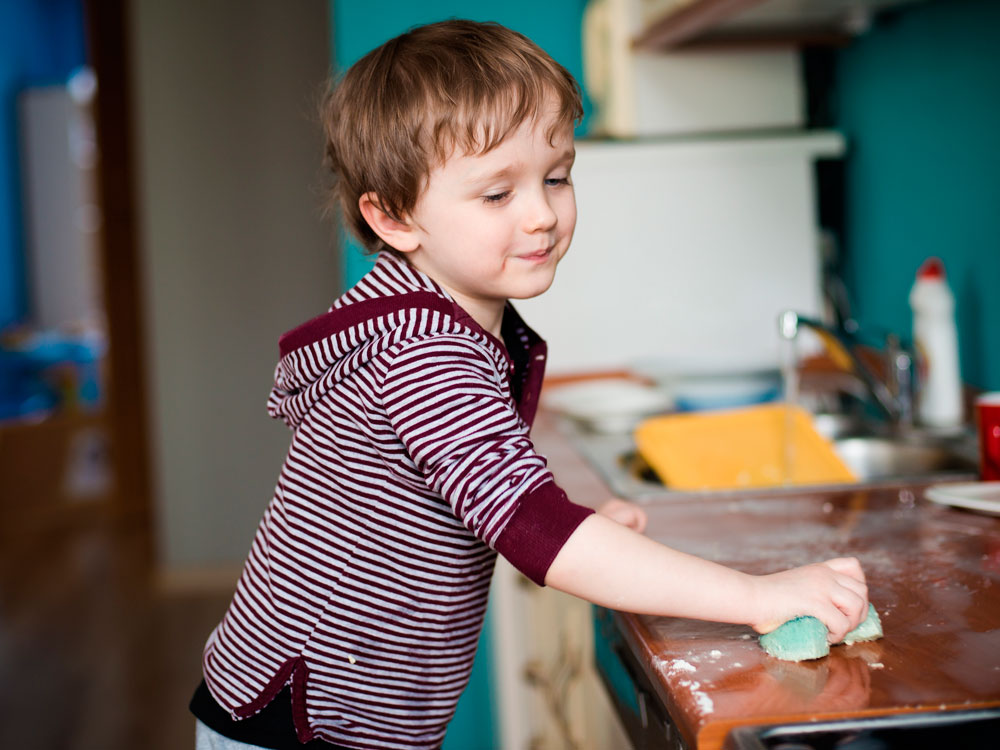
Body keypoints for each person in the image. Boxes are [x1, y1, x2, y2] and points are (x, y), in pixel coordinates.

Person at [190, 19, 869, 750]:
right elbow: (532, 531)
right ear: (392, 216)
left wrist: (567, 520)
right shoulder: (421, 352)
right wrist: (756, 596)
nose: (542, 213)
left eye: (555, 176)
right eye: (496, 195)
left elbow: (478, 486)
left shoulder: (438, 321)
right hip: (307, 725)